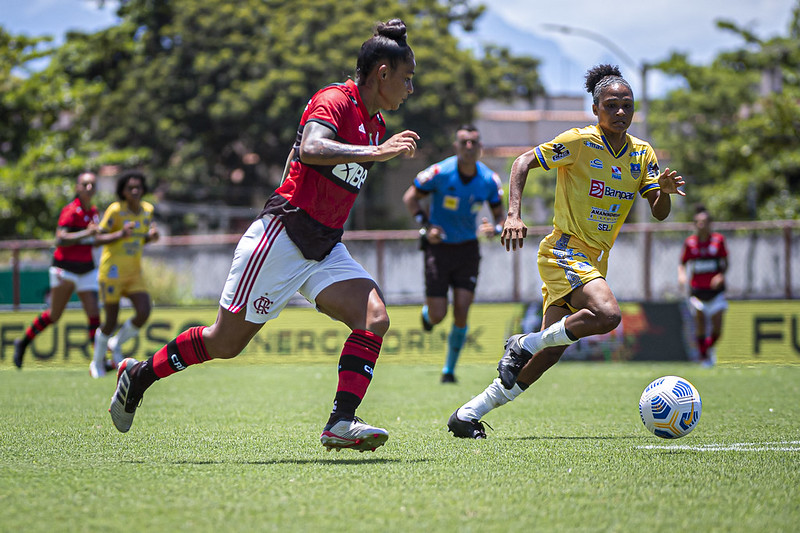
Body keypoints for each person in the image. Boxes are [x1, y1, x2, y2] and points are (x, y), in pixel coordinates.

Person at [108, 19, 419, 453]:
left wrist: (375, 147)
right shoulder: (334, 100)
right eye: (406, 79)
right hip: (283, 237)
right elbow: (311, 149)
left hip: (325, 246)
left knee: (375, 319)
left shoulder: (376, 123)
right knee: (224, 342)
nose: (410, 88)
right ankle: (137, 375)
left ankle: (341, 422)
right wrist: (375, 153)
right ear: (382, 74)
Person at [447, 64, 686, 438]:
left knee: (549, 353)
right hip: (564, 251)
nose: (621, 112)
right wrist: (513, 214)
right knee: (608, 315)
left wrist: (664, 192)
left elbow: (659, 212)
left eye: (627, 104)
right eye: (612, 105)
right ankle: (522, 342)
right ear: (595, 109)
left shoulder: (643, 154)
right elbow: (522, 161)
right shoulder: (579, 142)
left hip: (593, 261)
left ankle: (468, 413)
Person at [402, 124, 505, 383]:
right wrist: (426, 227)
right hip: (438, 248)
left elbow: (500, 217)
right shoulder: (440, 172)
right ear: (456, 147)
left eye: (474, 142)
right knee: (438, 315)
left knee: (462, 309)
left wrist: (495, 228)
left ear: (480, 147)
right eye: (464, 142)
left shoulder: (489, 180)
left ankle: (448, 370)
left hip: (468, 249)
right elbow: (410, 197)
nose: (469, 147)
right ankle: (427, 316)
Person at [13, 172, 128, 368]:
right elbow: (60, 238)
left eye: (92, 184)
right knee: (54, 315)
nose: (89, 187)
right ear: (78, 187)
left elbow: (96, 239)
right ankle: (23, 342)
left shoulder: (92, 212)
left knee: (94, 314)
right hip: (65, 269)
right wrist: (87, 232)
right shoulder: (71, 211)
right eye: (85, 184)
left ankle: (99, 361)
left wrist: (120, 234)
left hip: (86, 270)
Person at [90, 170, 160, 378]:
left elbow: (139, 239)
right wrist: (120, 234)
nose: (135, 191)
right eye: (130, 188)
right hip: (111, 272)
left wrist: (151, 237)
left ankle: (116, 344)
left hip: (133, 273)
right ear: (123, 191)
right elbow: (97, 239)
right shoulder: (115, 210)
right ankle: (96, 363)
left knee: (144, 311)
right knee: (110, 320)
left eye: (138, 187)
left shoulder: (147, 210)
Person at [678, 204, 728, 366]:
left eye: (704, 222)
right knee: (700, 323)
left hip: (716, 292)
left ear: (710, 223)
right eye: (698, 222)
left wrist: (720, 276)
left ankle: (707, 349)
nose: (701, 225)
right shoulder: (690, 243)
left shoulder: (718, 241)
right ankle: (704, 358)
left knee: (717, 330)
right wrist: (682, 275)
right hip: (697, 291)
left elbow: (726, 262)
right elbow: (682, 263)